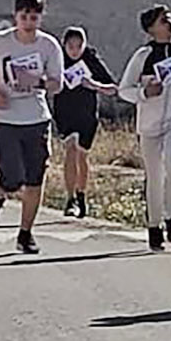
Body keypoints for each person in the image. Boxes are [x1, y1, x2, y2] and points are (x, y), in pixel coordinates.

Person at [0, 0, 67, 255]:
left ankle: (25, 233)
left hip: (35, 117)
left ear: (40, 18)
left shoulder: (48, 46)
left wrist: (36, 82)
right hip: (3, 116)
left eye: (34, 17)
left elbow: (57, 84)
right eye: (24, 16)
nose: (28, 22)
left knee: (35, 177)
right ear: (16, 16)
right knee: (13, 176)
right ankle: (0, 193)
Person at [118, 5, 171, 252]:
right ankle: (154, 227)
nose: (170, 22)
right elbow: (124, 90)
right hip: (149, 126)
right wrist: (145, 92)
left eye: (170, 17)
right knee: (154, 175)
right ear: (151, 28)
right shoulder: (143, 56)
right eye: (163, 20)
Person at [51, 26, 117, 219]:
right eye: (70, 46)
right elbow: (46, 82)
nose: (74, 50)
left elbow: (112, 88)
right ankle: (70, 199)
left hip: (86, 113)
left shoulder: (90, 59)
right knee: (70, 150)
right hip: (65, 111)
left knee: (82, 155)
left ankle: (81, 195)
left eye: (79, 46)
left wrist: (93, 84)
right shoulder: (58, 60)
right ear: (64, 46)